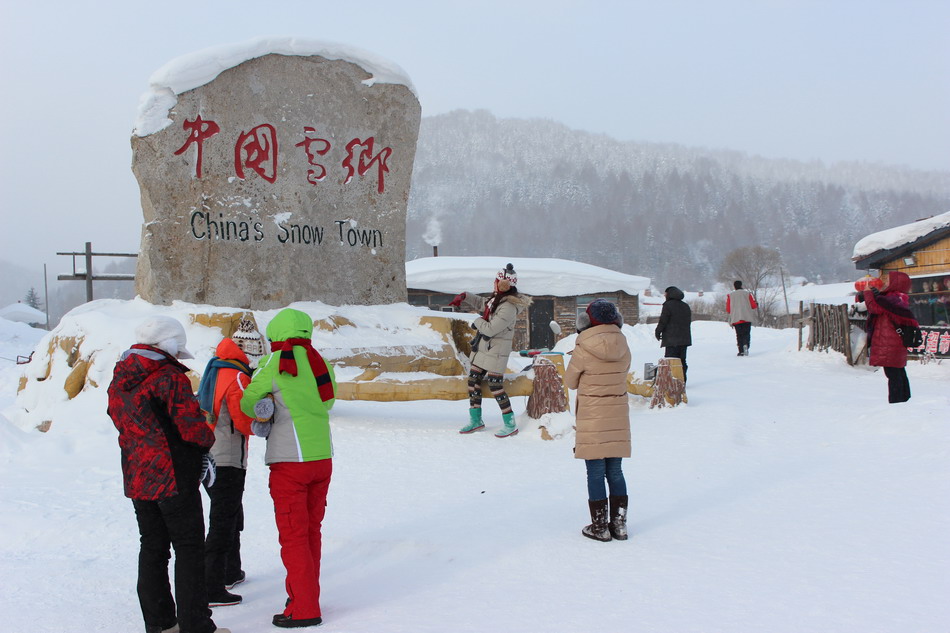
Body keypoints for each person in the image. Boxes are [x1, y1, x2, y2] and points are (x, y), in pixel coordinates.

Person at [107, 315, 230, 633]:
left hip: (137, 474)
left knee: (152, 546)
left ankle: (160, 623)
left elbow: (120, 420)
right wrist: (206, 440)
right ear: (169, 345)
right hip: (173, 476)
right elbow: (193, 430)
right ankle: (196, 625)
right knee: (189, 548)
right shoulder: (168, 377)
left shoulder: (120, 377)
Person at [240, 308, 336, 629]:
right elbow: (327, 402)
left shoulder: (273, 363)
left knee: (293, 536)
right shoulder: (320, 362)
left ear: (276, 334)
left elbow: (247, 402)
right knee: (311, 532)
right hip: (322, 458)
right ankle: (302, 593)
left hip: (289, 460)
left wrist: (268, 401)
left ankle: (305, 607)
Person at [197, 326, 261, 607]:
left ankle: (231, 571)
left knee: (230, 514)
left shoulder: (212, 370)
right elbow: (243, 419)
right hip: (229, 457)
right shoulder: (236, 376)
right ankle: (212, 584)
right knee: (223, 520)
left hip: (208, 455)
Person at [564, 299, 632, 542]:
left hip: (592, 417)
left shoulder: (583, 347)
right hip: (617, 414)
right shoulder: (624, 344)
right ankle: (620, 525)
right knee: (615, 470)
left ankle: (600, 527)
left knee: (595, 472)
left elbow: (570, 382)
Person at [448, 263, 532, 438]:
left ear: (503, 285)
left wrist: (476, 321)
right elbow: (482, 303)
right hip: (485, 348)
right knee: (473, 380)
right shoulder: (497, 299)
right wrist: (465, 296)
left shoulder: (508, 306)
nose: (494, 284)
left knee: (495, 384)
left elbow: (491, 328)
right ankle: (476, 420)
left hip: (497, 350)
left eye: (496, 281)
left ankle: (510, 423)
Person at [863, 271, 918, 403]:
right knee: (898, 371)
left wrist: (867, 292)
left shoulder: (892, 299)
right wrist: (876, 294)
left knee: (893, 374)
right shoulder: (897, 298)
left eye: (888, 281)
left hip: (889, 343)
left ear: (896, 283)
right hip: (895, 343)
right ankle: (904, 399)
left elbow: (873, 308)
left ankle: (897, 402)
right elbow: (880, 305)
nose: (885, 283)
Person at [654, 286, 692, 383]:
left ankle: (671, 381)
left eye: (665, 293)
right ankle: (682, 379)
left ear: (669, 294)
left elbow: (663, 320)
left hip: (672, 339)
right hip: (684, 339)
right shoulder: (685, 306)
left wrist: (658, 331)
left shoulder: (668, 305)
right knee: (682, 360)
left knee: (670, 361)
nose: (664, 295)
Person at [726, 280, 758, 356]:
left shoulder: (730, 295)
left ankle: (741, 350)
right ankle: (746, 345)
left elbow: (728, 309)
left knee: (739, 335)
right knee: (746, 333)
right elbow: (753, 306)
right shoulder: (747, 294)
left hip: (736, 319)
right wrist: (756, 304)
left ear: (734, 286)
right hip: (746, 317)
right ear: (741, 285)